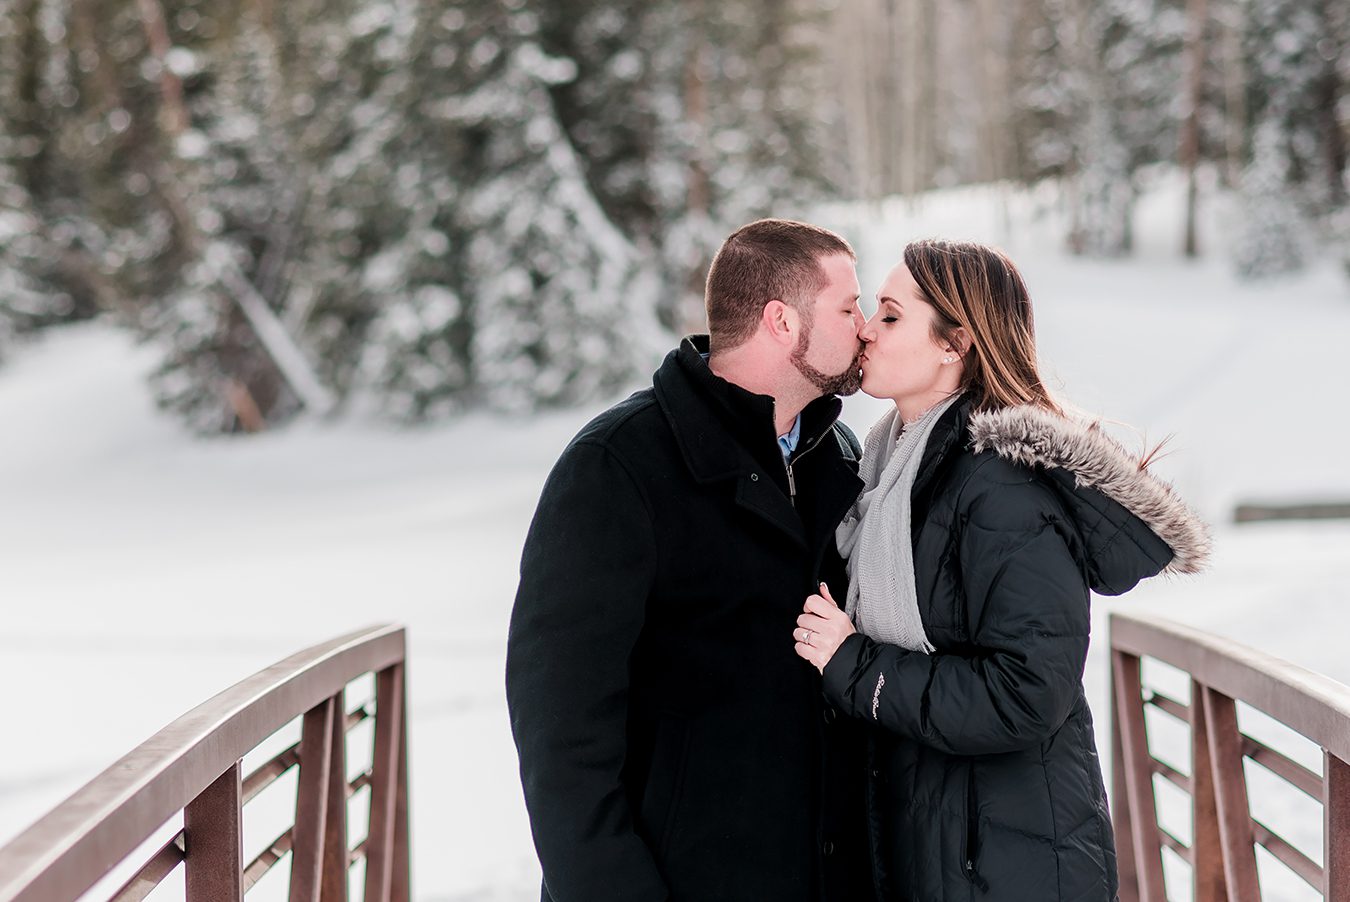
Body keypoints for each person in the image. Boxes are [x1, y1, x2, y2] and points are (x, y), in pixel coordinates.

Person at [792, 239, 1210, 900]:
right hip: (944, 840)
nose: (867, 330)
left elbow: (1026, 693)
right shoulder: (885, 474)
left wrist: (854, 664)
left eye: (892, 316)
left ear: (954, 344)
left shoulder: (1000, 489)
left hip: (1006, 866)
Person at [506, 219, 878, 902]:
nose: (866, 327)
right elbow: (560, 737)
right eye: (848, 308)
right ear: (782, 321)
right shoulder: (617, 466)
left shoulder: (840, 455)